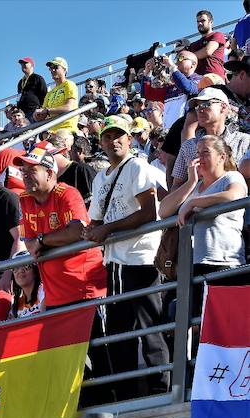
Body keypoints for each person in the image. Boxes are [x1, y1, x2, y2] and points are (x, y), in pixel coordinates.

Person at [83, 115, 169, 398]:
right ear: (101, 142)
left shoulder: (138, 166)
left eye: (118, 135)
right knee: (119, 332)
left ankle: (160, 388)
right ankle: (127, 393)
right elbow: (96, 220)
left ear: (129, 139)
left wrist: (108, 228)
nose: (113, 140)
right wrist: (88, 231)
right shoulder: (99, 178)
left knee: (149, 328)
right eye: (107, 136)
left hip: (141, 259)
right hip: (114, 263)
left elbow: (148, 211)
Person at [160, 135, 248, 310]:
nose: (199, 158)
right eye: (197, 153)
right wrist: (191, 182)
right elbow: (163, 211)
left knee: (222, 323)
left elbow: (233, 196)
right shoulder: (196, 186)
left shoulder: (231, 177)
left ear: (222, 157)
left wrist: (193, 203)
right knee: (196, 323)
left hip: (225, 262)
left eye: (205, 152)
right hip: (196, 264)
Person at [16, 140, 107, 308]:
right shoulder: (24, 200)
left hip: (84, 289)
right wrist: (49, 240)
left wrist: (42, 241)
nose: (25, 175)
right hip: (53, 295)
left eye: (32, 170)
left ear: (49, 174)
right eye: (23, 171)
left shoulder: (67, 194)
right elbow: (29, 243)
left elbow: (77, 231)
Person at [171, 88, 250, 190]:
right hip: (197, 204)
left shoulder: (244, 141)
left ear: (223, 107)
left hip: (235, 203)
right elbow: (176, 185)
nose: (200, 110)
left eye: (206, 104)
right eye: (197, 107)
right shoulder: (188, 146)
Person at [33, 57, 79, 134]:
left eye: (55, 67)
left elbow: (69, 107)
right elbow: (43, 115)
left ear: (64, 70)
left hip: (67, 129)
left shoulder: (69, 84)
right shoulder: (50, 93)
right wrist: (37, 115)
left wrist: (46, 111)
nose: (52, 70)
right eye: (50, 68)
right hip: (52, 131)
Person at [187, 9, 227, 77]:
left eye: (203, 21)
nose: (199, 23)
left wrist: (188, 57)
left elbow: (207, 51)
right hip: (197, 81)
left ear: (211, 22)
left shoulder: (218, 35)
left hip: (214, 78)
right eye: (198, 21)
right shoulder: (193, 44)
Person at [8, 251, 45, 319]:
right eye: (15, 268)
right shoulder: (15, 304)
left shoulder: (44, 291)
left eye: (26, 266)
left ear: (35, 271)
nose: (20, 271)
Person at [16, 57, 48, 121]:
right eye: (21, 64)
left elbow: (44, 94)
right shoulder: (20, 82)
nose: (23, 65)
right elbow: (19, 96)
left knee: (36, 130)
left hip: (34, 112)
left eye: (25, 63)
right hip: (23, 114)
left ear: (32, 65)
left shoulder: (38, 78)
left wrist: (40, 109)